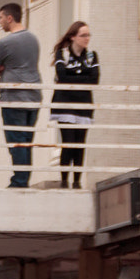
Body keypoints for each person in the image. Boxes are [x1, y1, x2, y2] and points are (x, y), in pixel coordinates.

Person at [0, 2, 42, 189]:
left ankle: (19, 181)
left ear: (10, 18)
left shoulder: (5, 42)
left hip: (14, 98)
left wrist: (6, 67)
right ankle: (23, 178)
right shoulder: (33, 39)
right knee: (27, 141)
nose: (0, 22)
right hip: (34, 96)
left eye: (1, 17)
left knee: (16, 141)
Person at [50, 21, 97, 189]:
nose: (87, 39)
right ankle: (64, 180)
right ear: (73, 37)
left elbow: (94, 79)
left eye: (88, 35)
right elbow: (62, 76)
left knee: (80, 143)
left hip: (83, 104)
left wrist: (74, 75)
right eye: (83, 35)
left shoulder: (91, 55)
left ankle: (77, 181)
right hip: (65, 104)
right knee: (68, 141)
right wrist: (81, 75)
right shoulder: (62, 53)